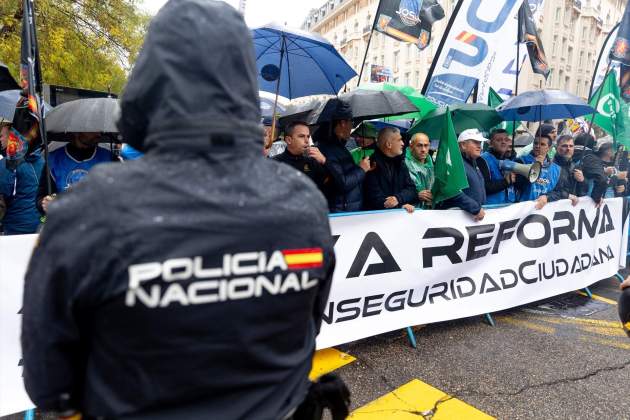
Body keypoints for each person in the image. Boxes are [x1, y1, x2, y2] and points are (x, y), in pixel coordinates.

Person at [21, 2, 341, 419]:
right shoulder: (302, 203)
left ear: (147, 86)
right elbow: (307, 330)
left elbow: (49, 382)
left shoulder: (88, 210)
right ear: (242, 87)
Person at [317, 99, 371, 212]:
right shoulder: (328, 148)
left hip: (346, 209)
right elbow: (343, 183)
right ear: (342, 123)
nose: (352, 127)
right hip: (341, 213)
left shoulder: (337, 146)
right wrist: (361, 169)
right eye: (351, 122)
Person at [36, 132, 111, 214]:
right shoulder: (54, 160)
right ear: (76, 132)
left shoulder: (109, 158)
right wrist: (44, 203)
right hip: (66, 222)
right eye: (93, 130)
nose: (99, 134)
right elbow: (41, 196)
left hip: (99, 222)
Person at [0, 122, 44, 234]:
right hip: (40, 227)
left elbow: (3, 195)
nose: (0, 140)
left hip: (15, 229)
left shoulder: (7, 163)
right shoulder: (43, 160)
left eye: (1, 136)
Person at [363, 127, 417, 212]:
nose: (403, 143)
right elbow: (374, 199)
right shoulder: (370, 165)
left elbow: (412, 190)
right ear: (388, 144)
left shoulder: (400, 163)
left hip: (398, 217)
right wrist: (399, 206)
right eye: (399, 140)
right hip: (376, 220)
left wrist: (398, 198)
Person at [437, 129, 487, 221]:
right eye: (475, 142)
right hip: (457, 220)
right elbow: (452, 191)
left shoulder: (473, 163)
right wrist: (475, 209)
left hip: (472, 219)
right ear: (463, 145)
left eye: (480, 143)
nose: (479, 146)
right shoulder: (455, 163)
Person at [273, 121, 330, 191]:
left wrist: (325, 161)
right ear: (289, 140)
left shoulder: (312, 162)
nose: (307, 141)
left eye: (308, 136)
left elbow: (330, 183)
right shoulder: (274, 163)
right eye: (301, 136)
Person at [534, 135, 587, 209]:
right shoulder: (549, 165)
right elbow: (545, 190)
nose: (568, 149)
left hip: (568, 211)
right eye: (564, 146)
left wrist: (582, 181)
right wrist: (566, 195)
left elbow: (583, 194)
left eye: (571, 146)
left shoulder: (576, 167)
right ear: (556, 148)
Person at [515, 135, 560, 203]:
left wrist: (547, 197)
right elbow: (517, 185)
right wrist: (534, 166)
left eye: (542, 144)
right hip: (523, 208)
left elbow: (558, 192)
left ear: (549, 148)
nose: (538, 146)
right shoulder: (521, 161)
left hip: (544, 210)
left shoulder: (556, 169)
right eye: (535, 143)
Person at [479, 128, 516, 205]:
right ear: (491, 143)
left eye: (506, 140)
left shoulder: (509, 160)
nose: (503, 142)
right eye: (499, 140)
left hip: (509, 207)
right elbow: (484, 187)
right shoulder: (482, 159)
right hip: (492, 208)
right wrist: (506, 182)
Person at [573, 133, 609, 206]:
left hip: (568, 198)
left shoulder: (565, 154)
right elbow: (602, 179)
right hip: (585, 203)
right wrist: (597, 198)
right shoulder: (591, 158)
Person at [405, 132, 434, 208]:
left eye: (426, 145)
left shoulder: (431, 163)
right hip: (411, 212)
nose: (423, 149)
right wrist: (416, 195)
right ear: (411, 147)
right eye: (419, 145)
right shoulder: (403, 164)